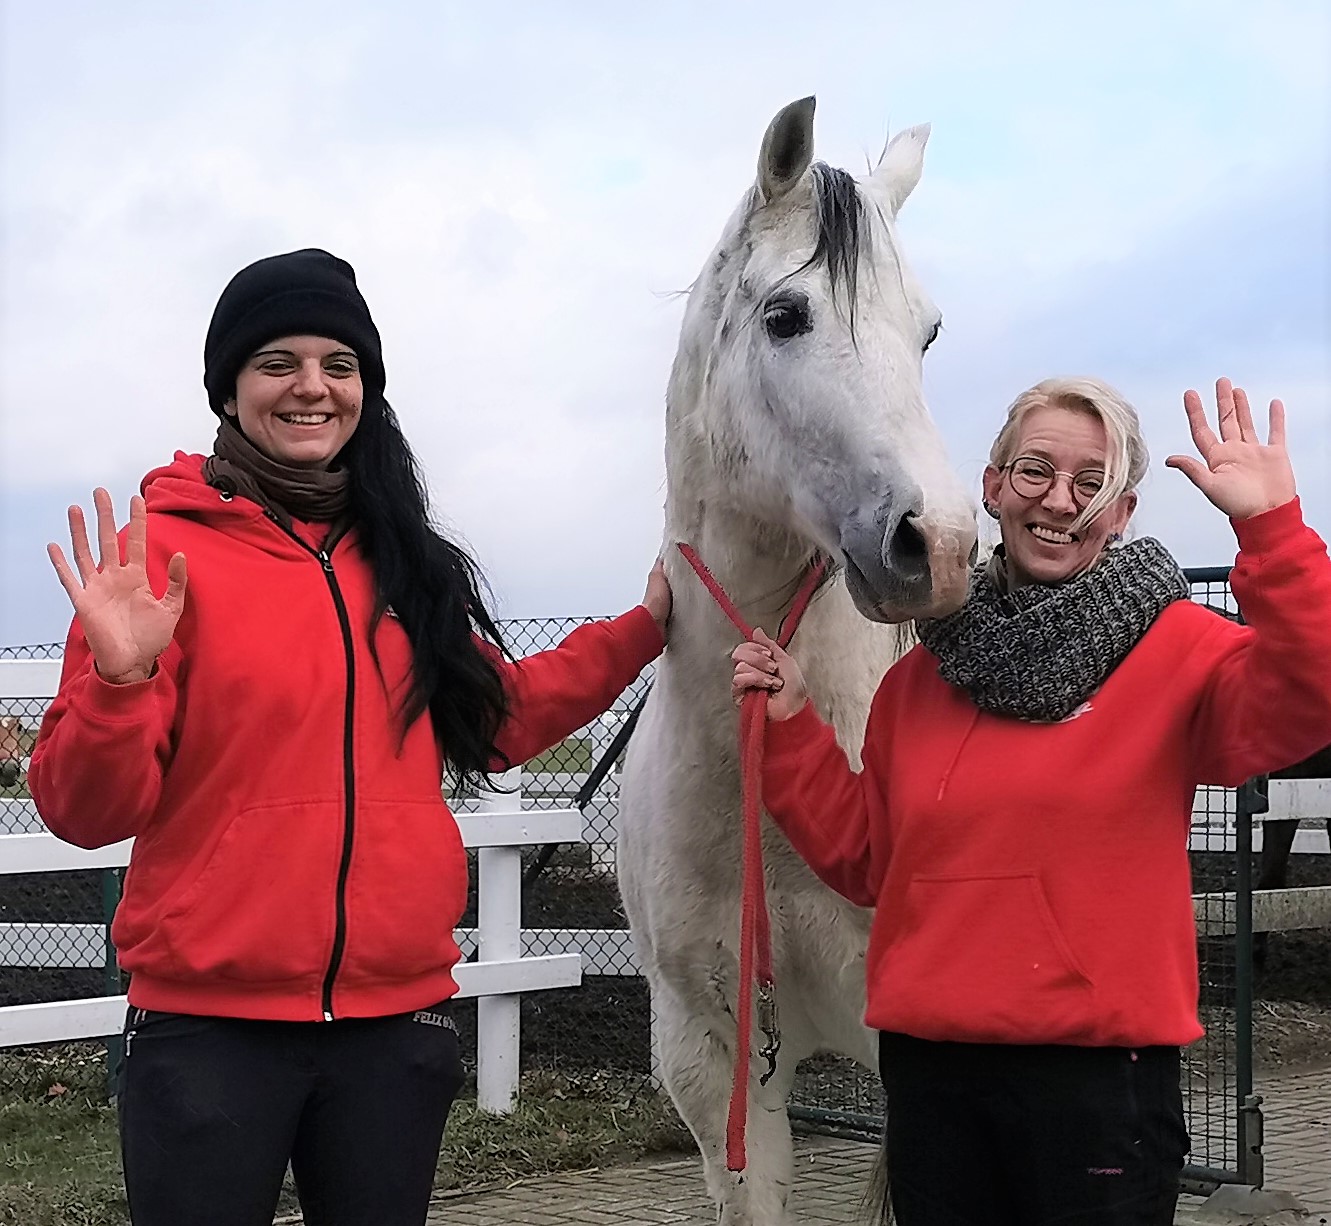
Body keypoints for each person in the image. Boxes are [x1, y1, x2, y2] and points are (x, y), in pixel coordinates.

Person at [29, 248, 672, 1226]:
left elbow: (495, 720)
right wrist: (122, 682)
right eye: (277, 360)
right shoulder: (158, 558)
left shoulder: (399, 560)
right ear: (229, 387)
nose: (311, 386)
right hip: (209, 1032)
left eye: (338, 362)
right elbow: (84, 811)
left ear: (364, 388)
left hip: (391, 1026)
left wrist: (642, 629)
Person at [732, 376, 1331, 1226]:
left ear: (1121, 512)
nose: (1060, 500)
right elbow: (869, 860)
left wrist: (1270, 528)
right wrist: (791, 725)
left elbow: (1313, 691)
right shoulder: (920, 676)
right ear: (991, 488)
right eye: (1035, 471)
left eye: (1091, 483)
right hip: (934, 1075)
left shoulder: (1181, 650)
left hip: (1097, 1081)